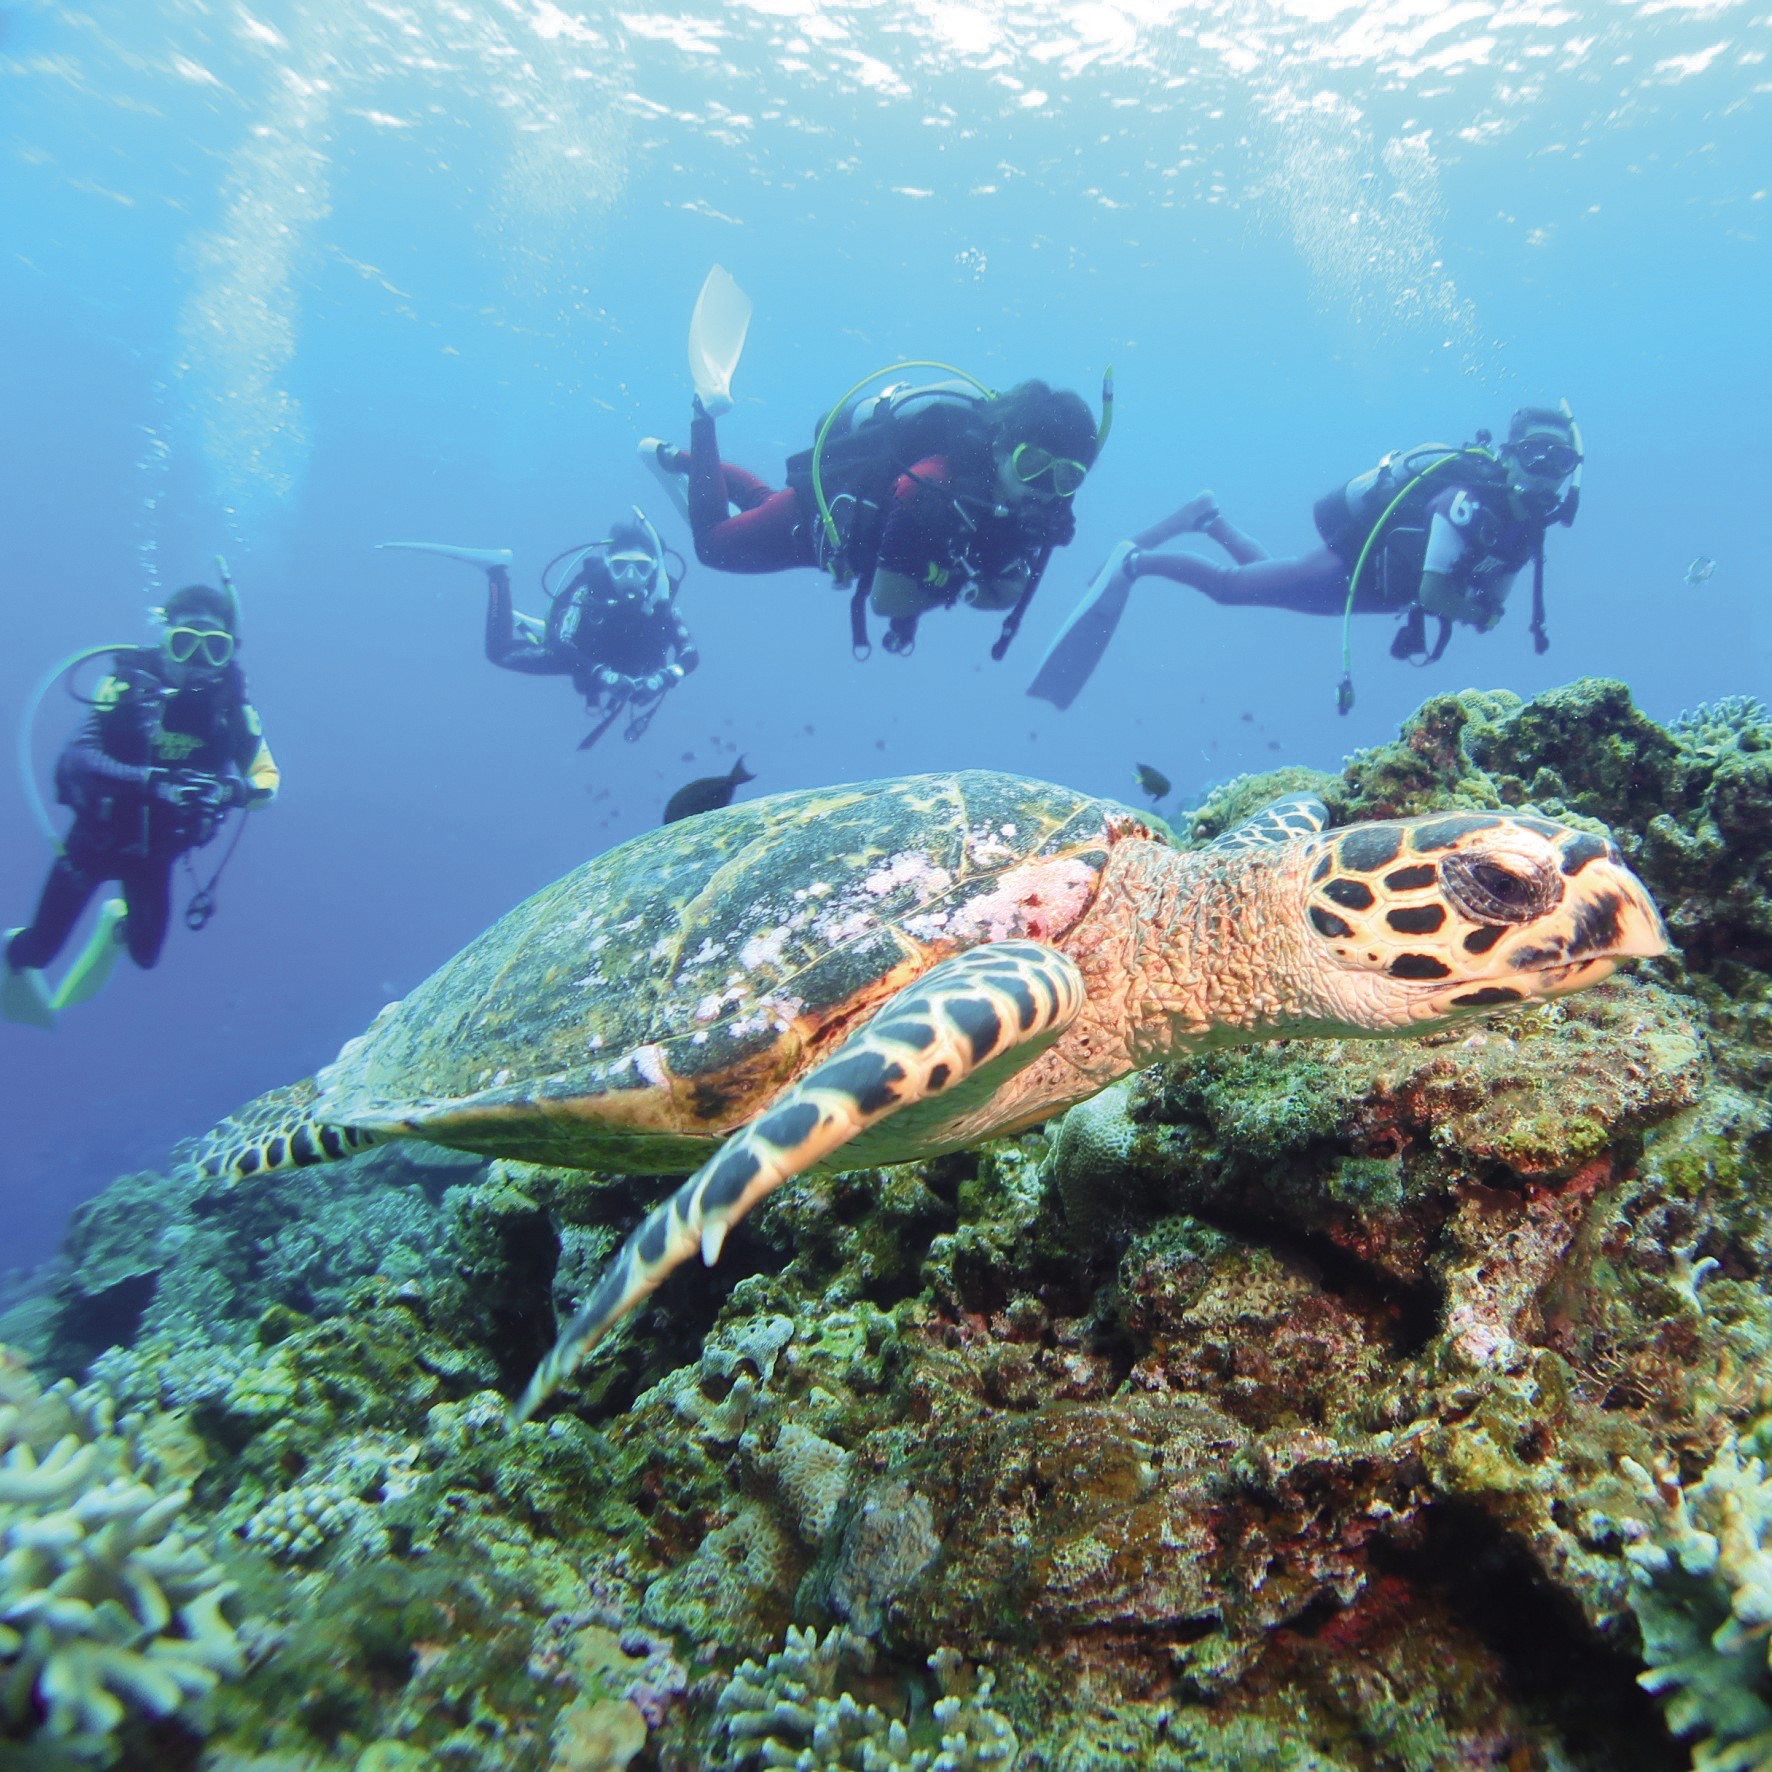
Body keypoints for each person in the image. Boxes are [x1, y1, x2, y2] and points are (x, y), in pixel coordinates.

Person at [1028, 403, 1584, 711]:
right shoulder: (1466, 504)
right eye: (1535, 453)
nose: (1545, 469)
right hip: (1358, 566)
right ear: (1510, 457)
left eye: (1560, 459)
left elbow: (1492, 595)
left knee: (1267, 580)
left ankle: (1207, 518)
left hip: (1375, 588)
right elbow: (1438, 592)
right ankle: (1134, 563)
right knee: (1230, 588)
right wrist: (1480, 613)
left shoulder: (1527, 529)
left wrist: (1484, 609)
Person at [645, 376, 1104, 656]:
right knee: (713, 546)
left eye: (1066, 477)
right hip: (820, 520)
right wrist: (964, 586)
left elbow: (1002, 574)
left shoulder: (1038, 509)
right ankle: (703, 413)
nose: (1042, 488)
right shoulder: (932, 487)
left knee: (763, 504)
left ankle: (674, 459)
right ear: (1001, 445)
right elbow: (886, 600)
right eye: (1030, 464)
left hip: (856, 541)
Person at [3, 582, 279, 1028]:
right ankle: (11, 952)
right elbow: (78, 759)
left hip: (157, 857)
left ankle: (117, 920)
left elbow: (268, 779)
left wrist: (229, 791)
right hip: (92, 845)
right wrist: (153, 783)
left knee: (146, 955)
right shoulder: (124, 688)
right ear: (165, 641)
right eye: (185, 642)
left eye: (214, 648)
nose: (197, 661)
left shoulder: (233, 712)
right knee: (38, 951)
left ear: (229, 652)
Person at [381, 509, 699, 748]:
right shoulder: (590, 587)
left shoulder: (661, 599)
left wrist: (665, 677)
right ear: (608, 564)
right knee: (500, 652)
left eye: (641, 567)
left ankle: (530, 622)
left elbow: (689, 653)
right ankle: (496, 572)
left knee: (631, 685)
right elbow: (559, 642)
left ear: (654, 570)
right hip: (581, 656)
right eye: (620, 566)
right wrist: (601, 675)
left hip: (621, 667)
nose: (631, 575)